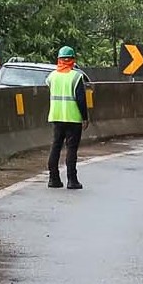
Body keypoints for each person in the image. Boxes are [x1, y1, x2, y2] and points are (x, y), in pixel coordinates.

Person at [46, 46, 92, 189]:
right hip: (73, 118)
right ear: (73, 60)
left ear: (58, 60)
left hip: (56, 117)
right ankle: (72, 180)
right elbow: (81, 100)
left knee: (56, 146)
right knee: (71, 149)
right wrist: (85, 118)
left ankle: (53, 179)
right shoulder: (76, 77)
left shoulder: (51, 77)